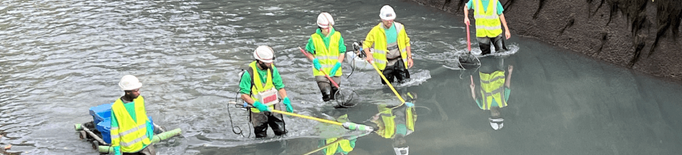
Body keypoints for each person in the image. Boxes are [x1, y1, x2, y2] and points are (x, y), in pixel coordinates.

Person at [239, 45, 294, 138]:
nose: (271, 63)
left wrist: (286, 100)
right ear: (260, 61)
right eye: (268, 62)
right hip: (257, 110)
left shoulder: (272, 69)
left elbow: (280, 87)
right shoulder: (248, 74)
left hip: (274, 106)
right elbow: (244, 95)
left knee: (281, 132)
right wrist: (257, 104)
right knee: (261, 136)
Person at [363, 5, 414, 85]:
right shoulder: (376, 31)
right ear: (382, 19)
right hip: (385, 64)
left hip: (399, 61)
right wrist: (368, 55)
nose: (389, 22)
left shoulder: (400, 28)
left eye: (391, 20)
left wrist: (409, 57)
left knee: (406, 83)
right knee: (387, 86)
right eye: (387, 20)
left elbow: (407, 42)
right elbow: (366, 44)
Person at [304, 12, 347, 102]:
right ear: (320, 28)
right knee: (327, 95)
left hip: (335, 71)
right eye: (326, 28)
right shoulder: (314, 38)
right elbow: (309, 52)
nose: (329, 29)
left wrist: (338, 64)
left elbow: (342, 52)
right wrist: (314, 60)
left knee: (336, 95)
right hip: (320, 72)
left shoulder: (337, 36)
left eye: (330, 27)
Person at [110, 75, 156, 155]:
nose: (139, 92)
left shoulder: (140, 99)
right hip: (130, 148)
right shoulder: (116, 107)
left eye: (138, 90)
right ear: (128, 92)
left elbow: (143, 115)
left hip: (145, 143)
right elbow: (114, 130)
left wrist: (149, 126)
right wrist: (116, 148)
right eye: (136, 90)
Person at [469, 57, 513, 130]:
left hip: (485, 73)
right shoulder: (503, 102)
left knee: (485, 55)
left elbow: (475, 98)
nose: (496, 114)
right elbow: (507, 87)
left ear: (491, 116)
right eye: (498, 115)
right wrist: (510, 73)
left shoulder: (483, 106)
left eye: (495, 116)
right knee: (499, 53)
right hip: (499, 71)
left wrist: (472, 89)